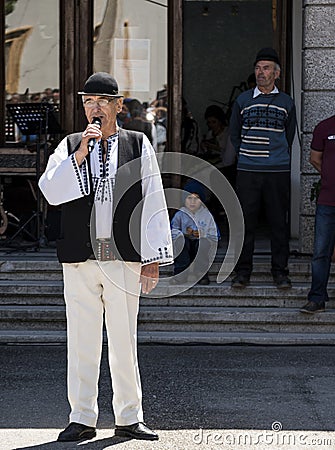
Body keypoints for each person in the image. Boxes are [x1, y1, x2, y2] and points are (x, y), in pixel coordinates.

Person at [38, 72, 173, 442]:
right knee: (81, 340)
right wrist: (80, 155)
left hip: (123, 257)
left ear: (118, 106)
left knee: (124, 339)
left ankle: (130, 417)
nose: (94, 109)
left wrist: (153, 256)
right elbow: (50, 190)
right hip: (80, 258)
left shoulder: (137, 143)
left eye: (101, 102)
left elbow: (153, 198)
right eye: (88, 102)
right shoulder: (70, 145)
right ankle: (81, 417)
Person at [229, 47, 296, 289]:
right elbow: (234, 135)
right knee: (245, 222)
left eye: (266, 68)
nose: (261, 72)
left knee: (279, 223)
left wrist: (273, 155)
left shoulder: (286, 102)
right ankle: (242, 272)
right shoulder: (243, 100)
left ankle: (280, 272)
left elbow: (288, 136)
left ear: (276, 73)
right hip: (248, 169)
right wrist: (248, 155)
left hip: (277, 170)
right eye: (258, 68)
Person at [300, 115, 335, 313]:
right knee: (321, 252)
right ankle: (317, 299)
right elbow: (315, 158)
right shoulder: (324, 127)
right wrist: (329, 176)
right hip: (328, 201)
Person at [171, 180, 219, 285]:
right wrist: (184, 233)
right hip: (186, 244)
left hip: (201, 244)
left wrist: (203, 234)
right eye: (189, 198)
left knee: (203, 243)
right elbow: (172, 231)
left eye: (196, 198)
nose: (192, 202)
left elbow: (215, 234)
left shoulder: (206, 215)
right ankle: (181, 274)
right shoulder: (180, 214)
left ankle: (201, 274)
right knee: (181, 243)